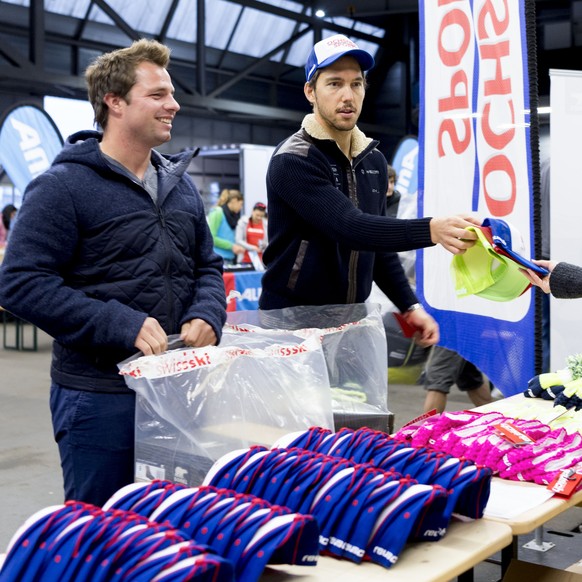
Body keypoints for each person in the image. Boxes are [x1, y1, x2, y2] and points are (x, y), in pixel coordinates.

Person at [0, 39, 227, 507]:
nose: (174, 104)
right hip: (100, 397)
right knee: (99, 531)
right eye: (158, 94)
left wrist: (209, 311)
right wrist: (120, 323)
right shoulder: (62, 187)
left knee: (174, 522)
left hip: (178, 387)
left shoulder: (180, 186)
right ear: (115, 102)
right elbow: (20, 283)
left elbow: (206, 263)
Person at [259, 33, 480, 347]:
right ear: (311, 91)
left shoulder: (373, 160)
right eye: (334, 84)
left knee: (354, 399)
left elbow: (378, 248)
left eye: (356, 84)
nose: (348, 95)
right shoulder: (294, 159)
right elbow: (349, 226)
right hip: (292, 321)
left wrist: (409, 305)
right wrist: (432, 229)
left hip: (351, 320)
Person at [422, 346, 493, 413]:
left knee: (438, 379)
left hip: (453, 334)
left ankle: (429, 424)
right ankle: (496, 420)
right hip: (464, 335)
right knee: (469, 378)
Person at [207, 188, 246, 265]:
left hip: (229, 259)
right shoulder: (217, 212)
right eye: (241, 204)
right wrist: (232, 246)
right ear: (234, 200)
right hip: (218, 259)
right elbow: (211, 238)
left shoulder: (233, 217)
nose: (241, 207)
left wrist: (237, 246)